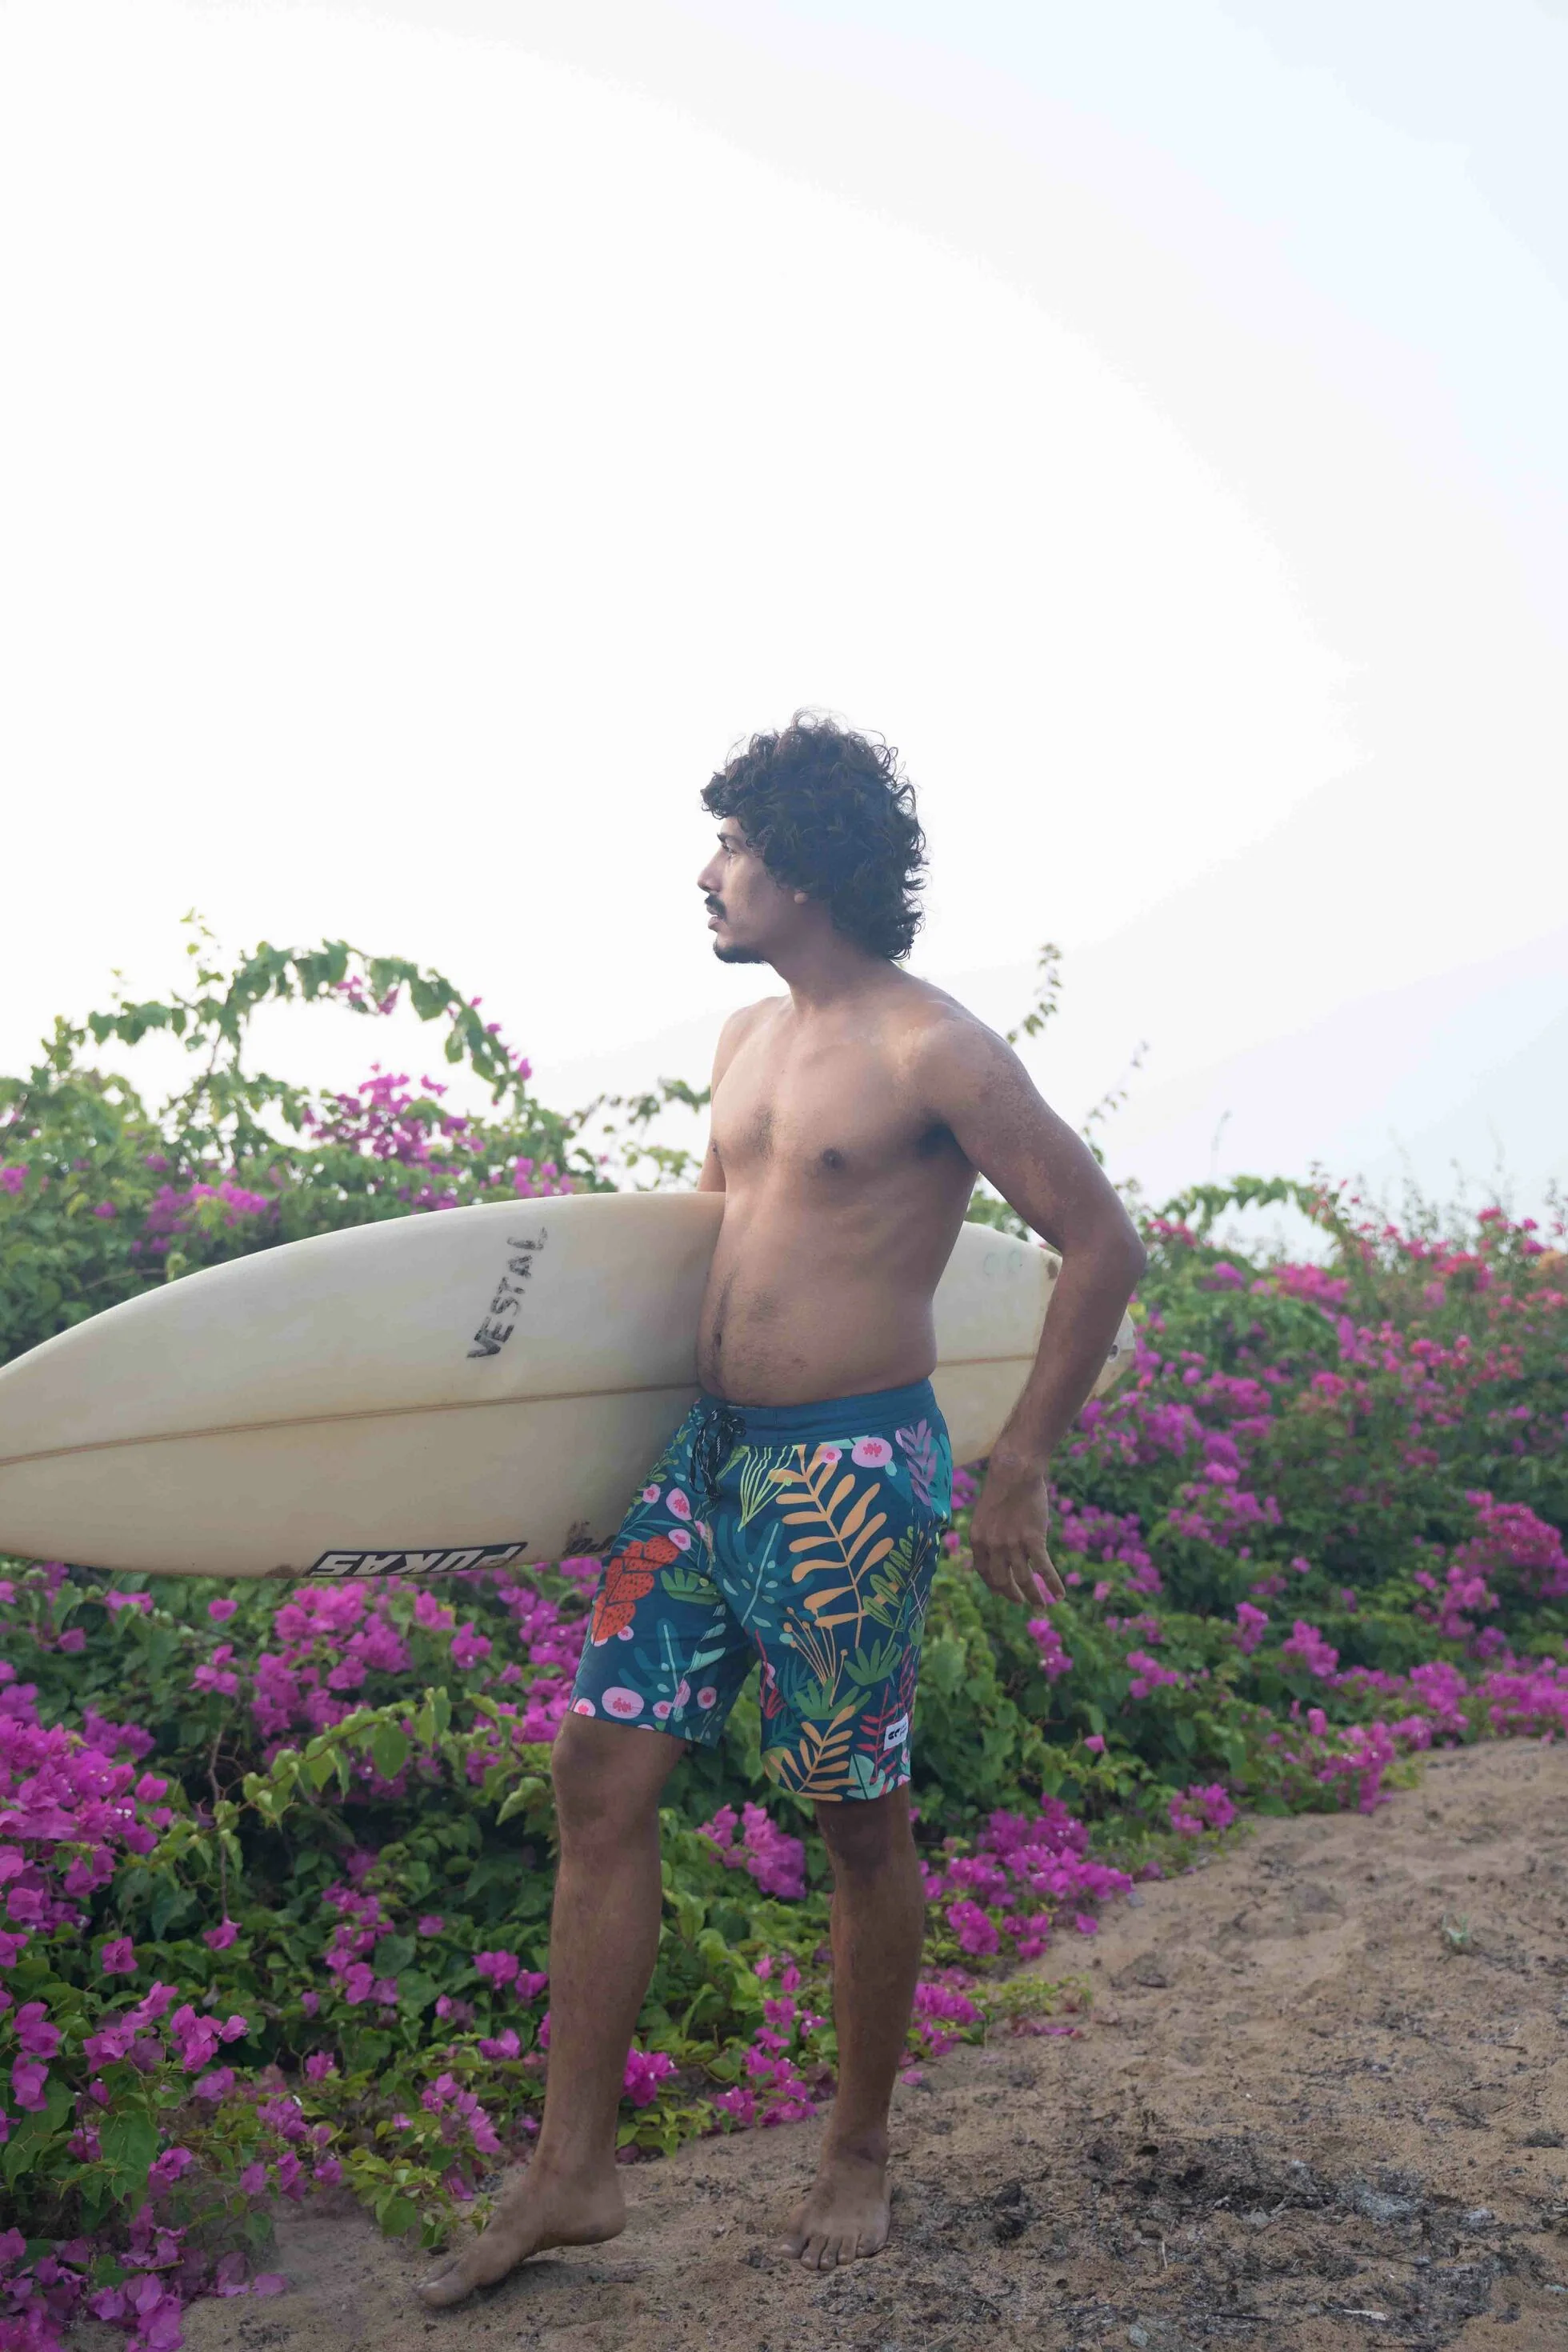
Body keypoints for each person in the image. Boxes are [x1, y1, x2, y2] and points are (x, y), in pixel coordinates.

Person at [418, 713, 1146, 2306]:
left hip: (847, 1481)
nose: (708, 872)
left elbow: (1101, 1244)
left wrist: (1019, 1461)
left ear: (806, 869)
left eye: (735, 846)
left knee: (852, 1816)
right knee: (597, 1775)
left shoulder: (936, 1053)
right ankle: (571, 2170)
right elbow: (702, 1250)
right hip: (709, 1461)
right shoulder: (745, 1040)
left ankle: (858, 2145)